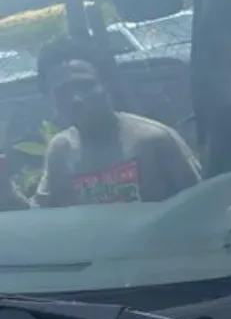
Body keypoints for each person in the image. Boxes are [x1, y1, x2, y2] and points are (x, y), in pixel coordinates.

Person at [0, 36, 201, 210]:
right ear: (50, 99)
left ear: (107, 86)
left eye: (85, 86)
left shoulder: (153, 140)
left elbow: (201, 207)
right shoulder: (61, 150)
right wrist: (4, 189)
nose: (76, 98)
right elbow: (44, 221)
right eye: (63, 91)